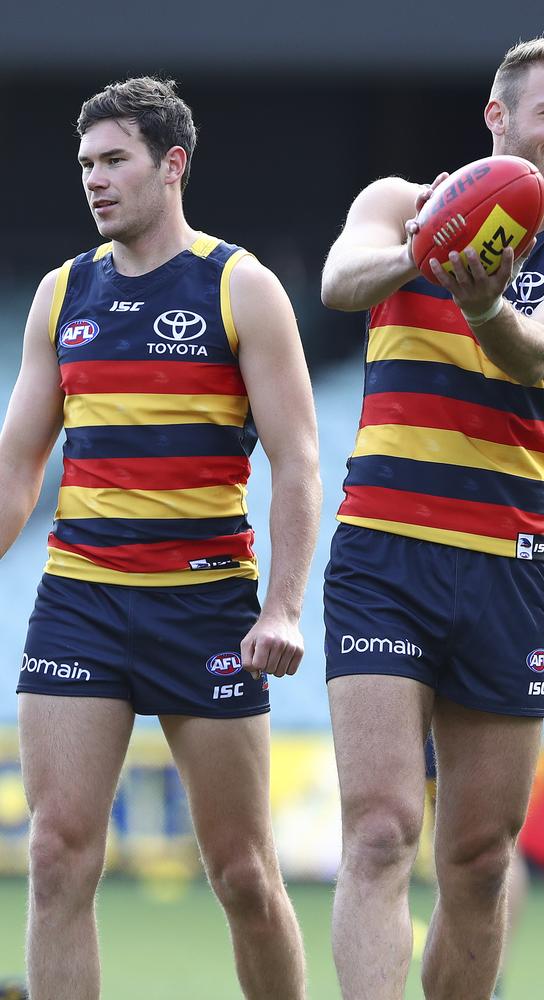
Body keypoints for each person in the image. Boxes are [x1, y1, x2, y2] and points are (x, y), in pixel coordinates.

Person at [320, 36, 544, 1000]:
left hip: (506, 563)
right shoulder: (395, 201)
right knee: (379, 832)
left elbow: (540, 352)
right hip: (383, 551)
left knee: (480, 860)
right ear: (497, 118)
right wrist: (431, 245)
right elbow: (340, 284)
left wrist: (485, 300)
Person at [3, 77, 321, 999]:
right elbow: (18, 467)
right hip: (81, 603)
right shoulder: (62, 294)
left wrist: (286, 607)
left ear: (172, 166)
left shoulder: (242, 288)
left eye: (114, 161)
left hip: (206, 609)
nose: (94, 181)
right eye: (85, 166)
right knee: (58, 858)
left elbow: (298, 463)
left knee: (245, 878)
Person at [421, 484, 544, 1000]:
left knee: (481, 849)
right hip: (467, 669)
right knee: (480, 848)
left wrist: (517, 680)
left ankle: (485, 975)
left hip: (460, 674)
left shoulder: (537, 475)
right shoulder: (538, 474)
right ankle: (486, 976)